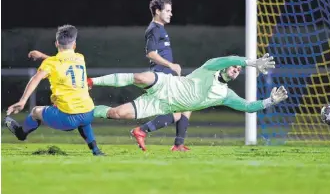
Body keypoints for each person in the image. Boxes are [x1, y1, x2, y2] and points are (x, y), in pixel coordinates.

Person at [89, 53, 288, 151]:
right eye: (234, 67)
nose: (236, 69)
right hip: (166, 84)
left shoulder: (225, 94)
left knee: (116, 114)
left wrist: (270, 100)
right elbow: (227, 59)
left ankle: (86, 110)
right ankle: (92, 81)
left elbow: (248, 107)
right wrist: (250, 62)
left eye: (238, 70)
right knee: (141, 77)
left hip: (161, 105)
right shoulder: (209, 68)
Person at [5, 25, 104, 156]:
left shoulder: (51, 63)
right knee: (83, 119)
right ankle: (95, 150)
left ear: (56, 43)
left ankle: (21, 134)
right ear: (74, 44)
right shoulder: (80, 58)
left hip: (67, 119)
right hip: (88, 113)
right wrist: (42, 56)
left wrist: (22, 101)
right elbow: (62, 62)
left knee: (35, 112)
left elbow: (36, 78)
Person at [141, 0, 191, 151]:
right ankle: (142, 131)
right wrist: (171, 65)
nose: (171, 14)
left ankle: (178, 144)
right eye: (167, 11)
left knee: (186, 105)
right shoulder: (154, 29)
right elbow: (150, 53)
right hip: (161, 76)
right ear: (157, 11)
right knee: (179, 111)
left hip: (166, 75)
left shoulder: (160, 29)